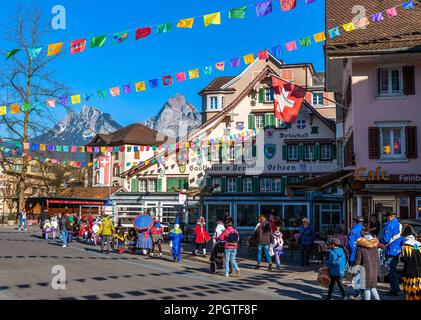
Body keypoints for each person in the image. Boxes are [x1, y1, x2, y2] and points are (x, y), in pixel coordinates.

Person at [379, 211, 404, 296]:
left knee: (392, 271)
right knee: (394, 270)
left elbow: (386, 239)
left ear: (390, 217)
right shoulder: (399, 224)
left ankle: (394, 290)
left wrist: (379, 240)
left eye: (387, 217)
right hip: (398, 249)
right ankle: (397, 289)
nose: (387, 218)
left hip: (391, 249)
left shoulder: (389, 225)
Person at [355, 229, 381, 300]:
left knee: (366, 288)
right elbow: (377, 259)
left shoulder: (361, 246)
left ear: (362, 236)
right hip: (374, 269)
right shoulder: (374, 245)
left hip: (366, 270)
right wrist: (379, 270)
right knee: (372, 287)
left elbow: (358, 259)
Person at [400, 225, 421, 301]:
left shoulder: (405, 245)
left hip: (409, 271)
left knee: (410, 290)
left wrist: (401, 257)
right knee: (418, 289)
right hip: (419, 271)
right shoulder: (418, 244)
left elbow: (405, 259)